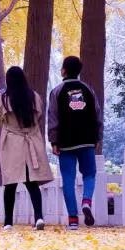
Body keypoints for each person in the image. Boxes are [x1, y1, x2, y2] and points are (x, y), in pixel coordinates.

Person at [0, 66, 53, 230]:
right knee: (32, 183)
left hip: (12, 144)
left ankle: (7, 222)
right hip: (30, 143)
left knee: (10, 185)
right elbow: (39, 116)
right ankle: (39, 217)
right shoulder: (34, 96)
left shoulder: (4, 99)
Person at [48, 55, 101, 230]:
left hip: (66, 142)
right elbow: (97, 115)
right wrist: (97, 137)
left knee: (68, 180)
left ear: (64, 70)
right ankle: (86, 201)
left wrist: (54, 141)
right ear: (79, 71)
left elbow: (53, 118)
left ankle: (72, 219)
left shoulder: (57, 91)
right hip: (86, 140)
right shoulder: (88, 90)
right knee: (90, 174)